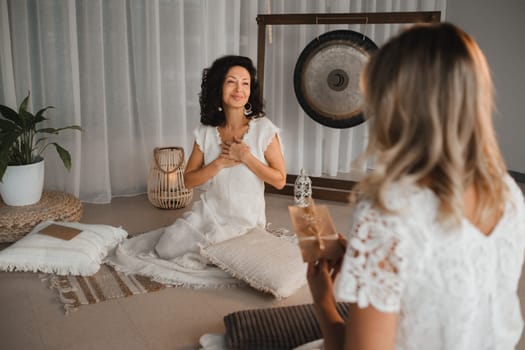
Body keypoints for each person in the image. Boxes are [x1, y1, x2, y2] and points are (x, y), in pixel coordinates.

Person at [305, 23, 525, 350]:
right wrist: (374, 261)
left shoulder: (387, 210)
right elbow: (454, 277)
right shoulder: (508, 192)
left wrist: (323, 302)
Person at [155, 55, 286, 259]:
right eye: (231, 82)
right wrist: (219, 163)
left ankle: (227, 253)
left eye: (245, 83)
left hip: (246, 222)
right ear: (219, 87)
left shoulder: (263, 129)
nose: (239, 89)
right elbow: (188, 180)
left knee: (226, 254)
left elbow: (280, 180)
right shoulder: (206, 132)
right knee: (166, 247)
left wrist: (245, 157)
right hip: (210, 215)